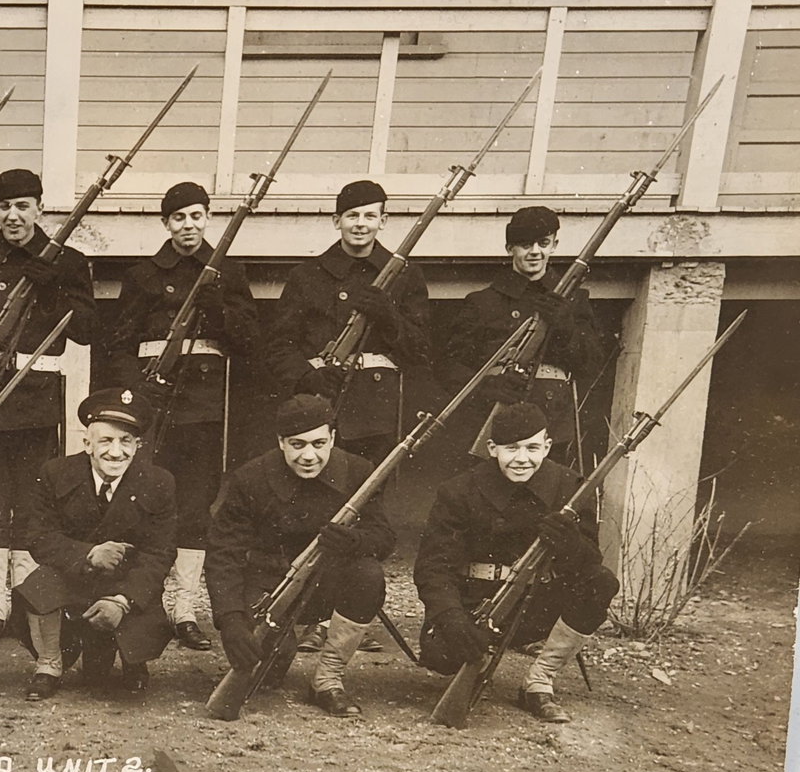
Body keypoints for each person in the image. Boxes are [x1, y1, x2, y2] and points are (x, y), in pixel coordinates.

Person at [0, 168, 96, 650]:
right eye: (4, 206)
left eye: (23, 206)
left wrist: (54, 289)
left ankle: (26, 606)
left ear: (39, 208)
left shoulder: (69, 262)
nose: (14, 215)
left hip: (35, 404)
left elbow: (88, 329)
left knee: (31, 509)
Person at [105, 181, 258, 653]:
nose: (188, 226)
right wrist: (137, 390)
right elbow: (118, 343)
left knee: (195, 507)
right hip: (154, 405)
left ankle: (184, 609)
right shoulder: (143, 275)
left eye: (196, 216)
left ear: (207, 218)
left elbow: (251, 342)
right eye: (178, 217)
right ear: (165, 223)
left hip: (204, 407)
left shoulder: (228, 272)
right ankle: (140, 603)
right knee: (146, 502)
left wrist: (221, 313)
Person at [414, 402, 619, 723]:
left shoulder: (570, 487)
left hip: (537, 607)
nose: (522, 458)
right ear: (492, 449)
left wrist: (570, 543)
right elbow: (432, 567)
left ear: (547, 447)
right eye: (511, 448)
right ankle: (477, 663)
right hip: (475, 604)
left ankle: (540, 681)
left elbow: (590, 561)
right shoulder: (459, 491)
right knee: (441, 655)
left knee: (601, 582)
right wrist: (452, 617)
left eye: (532, 448)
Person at [205, 394, 395, 717]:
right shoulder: (250, 478)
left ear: (332, 438)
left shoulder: (359, 471)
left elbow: (385, 537)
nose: (309, 456)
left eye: (319, 444)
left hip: (326, 585)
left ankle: (327, 679)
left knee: (368, 574)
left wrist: (355, 541)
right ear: (281, 442)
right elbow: (224, 553)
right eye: (297, 444)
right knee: (265, 671)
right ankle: (278, 651)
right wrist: (231, 619)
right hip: (269, 588)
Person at [15, 387, 176, 700]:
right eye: (106, 440)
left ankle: (134, 661)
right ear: (87, 443)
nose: (116, 452)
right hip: (75, 577)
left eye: (126, 441)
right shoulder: (56, 473)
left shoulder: (159, 482)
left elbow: (160, 553)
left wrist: (122, 601)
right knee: (39, 586)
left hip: (126, 583)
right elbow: (38, 536)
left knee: (139, 612)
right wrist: (88, 553)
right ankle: (49, 663)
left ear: (138, 445)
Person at [263, 179, 429, 463]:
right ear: (336, 221)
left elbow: (421, 350)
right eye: (352, 215)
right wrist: (306, 377)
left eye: (370, 216)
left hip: (377, 410)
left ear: (383, 221)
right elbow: (278, 346)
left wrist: (389, 317)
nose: (360, 224)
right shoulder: (306, 275)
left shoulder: (405, 275)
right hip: (318, 400)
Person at [445, 206, 604, 462]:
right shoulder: (482, 302)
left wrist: (566, 328)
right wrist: (487, 387)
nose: (535, 252)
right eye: (525, 245)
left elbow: (592, 363)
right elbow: (451, 367)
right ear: (510, 248)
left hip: (551, 419)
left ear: (554, 245)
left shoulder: (574, 300)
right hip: (495, 412)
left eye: (543, 243)